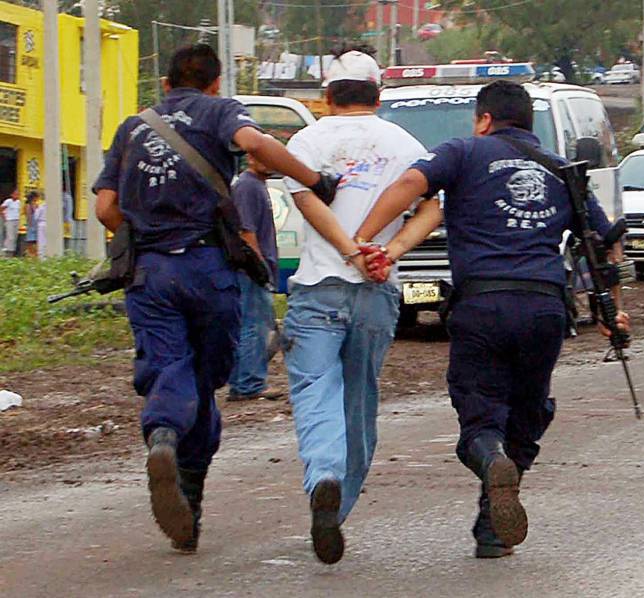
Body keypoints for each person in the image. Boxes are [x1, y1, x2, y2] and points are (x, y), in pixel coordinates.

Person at [354, 80, 629, 559]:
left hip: (481, 305)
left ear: (484, 119)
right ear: (529, 123)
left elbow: (408, 187)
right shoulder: (565, 171)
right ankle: (492, 531)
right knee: (527, 414)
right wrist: (614, 310)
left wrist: (365, 238)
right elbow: (604, 244)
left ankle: (490, 457)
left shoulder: (462, 152)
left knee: (480, 417)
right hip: (544, 307)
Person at [94, 44, 337, 554]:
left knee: (169, 368)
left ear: (164, 84)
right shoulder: (221, 111)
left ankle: (165, 442)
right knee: (204, 378)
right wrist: (314, 179)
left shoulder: (131, 126)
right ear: (213, 82)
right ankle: (186, 480)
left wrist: (144, 237)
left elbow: (105, 207)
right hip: (208, 268)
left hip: (150, 272)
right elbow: (255, 142)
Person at [280, 48, 430, 565]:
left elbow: (306, 201)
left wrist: (348, 250)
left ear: (328, 96)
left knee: (315, 388)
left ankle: (323, 472)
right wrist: (387, 251)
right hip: (377, 289)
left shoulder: (306, 140)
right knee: (360, 400)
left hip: (319, 286)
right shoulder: (405, 143)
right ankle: (337, 507)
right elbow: (432, 205)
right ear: (378, 95)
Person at [227, 151, 285, 402]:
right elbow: (246, 231)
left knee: (254, 325)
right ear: (250, 158)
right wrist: (259, 266)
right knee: (253, 326)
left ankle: (245, 380)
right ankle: (248, 383)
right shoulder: (248, 188)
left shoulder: (257, 186)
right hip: (251, 271)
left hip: (255, 270)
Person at [1, 188, 20, 256]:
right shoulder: (8, 201)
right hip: (10, 220)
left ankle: (12, 251)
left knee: (15, 236)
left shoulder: (18, 202)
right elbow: (1, 209)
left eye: (18, 194)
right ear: (12, 194)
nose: (17, 195)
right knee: (10, 236)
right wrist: (4, 217)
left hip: (16, 220)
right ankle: (7, 250)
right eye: (15, 194)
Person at [24, 192, 39, 257]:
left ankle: (34, 254)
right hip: (31, 225)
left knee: (35, 241)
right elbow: (28, 216)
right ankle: (30, 254)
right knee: (31, 241)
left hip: (35, 225)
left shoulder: (35, 205)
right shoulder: (28, 205)